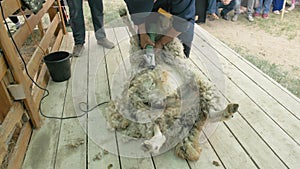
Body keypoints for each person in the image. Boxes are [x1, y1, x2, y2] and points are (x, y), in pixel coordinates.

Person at [124, 0, 195, 58]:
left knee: (177, 53)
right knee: (141, 52)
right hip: (153, 11)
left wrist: (162, 42)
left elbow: (182, 23)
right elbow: (137, 13)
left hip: (181, 14)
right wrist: (143, 33)